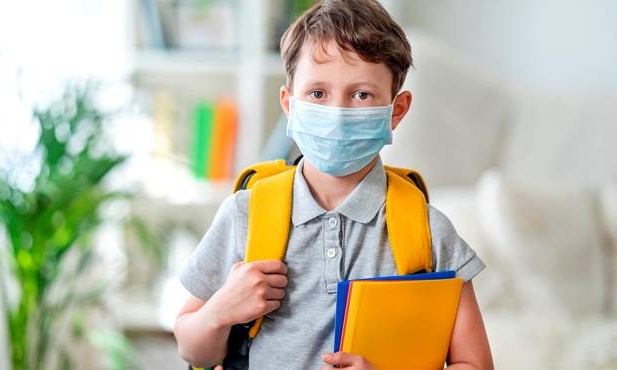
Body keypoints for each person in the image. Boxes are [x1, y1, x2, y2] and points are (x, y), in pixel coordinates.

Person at [174, 1, 493, 369]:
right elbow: (193, 350)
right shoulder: (245, 214)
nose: (338, 113)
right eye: (318, 93)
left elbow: (476, 364)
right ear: (289, 103)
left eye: (361, 95)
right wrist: (219, 311)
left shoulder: (429, 231)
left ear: (397, 110)